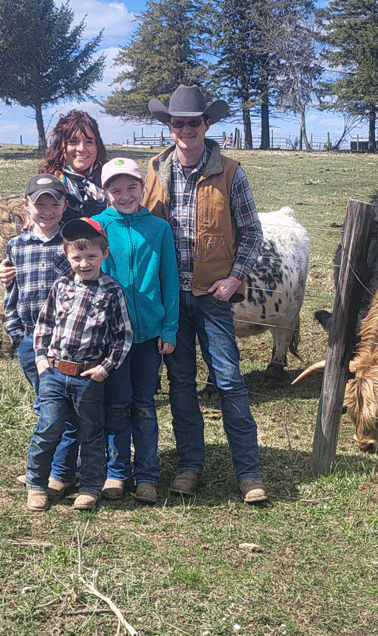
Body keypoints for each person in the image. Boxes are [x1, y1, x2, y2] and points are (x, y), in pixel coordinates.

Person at [144, 84, 268, 504]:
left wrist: (234, 278)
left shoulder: (232, 171)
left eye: (193, 123)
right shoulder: (153, 172)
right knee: (180, 383)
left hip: (213, 297)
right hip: (171, 298)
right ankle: (189, 466)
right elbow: (138, 227)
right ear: (170, 127)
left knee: (230, 381)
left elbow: (251, 232)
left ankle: (248, 471)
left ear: (206, 124)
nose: (186, 130)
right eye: (178, 123)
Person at [26, 218, 132, 512]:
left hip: (88, 376)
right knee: (49, 426)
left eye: (91, 257)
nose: (84, 263)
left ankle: (89, 487)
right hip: (55, 372)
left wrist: (104, 369)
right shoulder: (60, 286)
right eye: (76, 257)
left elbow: (123, 336)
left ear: (104, 254)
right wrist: (40, 357)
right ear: (66, 255)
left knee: (91, 431)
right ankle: (37, 484)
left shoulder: (112, 292)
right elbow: (45, 323)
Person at [93, 157, 179, 504]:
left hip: (147, 336)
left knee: (144, 404)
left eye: (131, 187)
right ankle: (116, 473)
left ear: (143, 189)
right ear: (105, 192)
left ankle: (146, 475)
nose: (124, 195)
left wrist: (169, 328)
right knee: (116, 404)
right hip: (112, 337)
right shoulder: (96, 227)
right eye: (116, 189)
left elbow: (169, 281)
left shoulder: (159, 229)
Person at [3, 174, 77, 498]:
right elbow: (11, 293)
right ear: (26, 206)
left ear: (65, 206)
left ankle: (58, 474)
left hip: (64, 344)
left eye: (54, 203)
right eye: (39, 203)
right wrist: (16, 333)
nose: (47, 210)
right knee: (43, 407)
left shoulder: (72, 244)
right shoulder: (16, 246)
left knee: (64, 411)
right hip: (29, 340)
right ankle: (47, 468)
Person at [0, 109, 109, 286]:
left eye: (89, 141)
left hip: (106, 274)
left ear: (97, 145)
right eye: (73, 142)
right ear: (61, 145)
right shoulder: (49, 183)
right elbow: (31, 234)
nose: (82, 149)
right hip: (59, 278)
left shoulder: (110, 182)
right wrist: (7, 268)